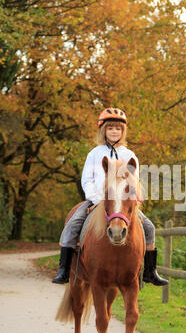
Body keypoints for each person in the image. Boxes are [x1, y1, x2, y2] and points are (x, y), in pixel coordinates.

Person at [52, 108, 168, 287]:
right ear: (103, 130)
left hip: (122, 204)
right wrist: (97, 198)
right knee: (72, 225)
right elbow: (87, 180)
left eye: (118, 129)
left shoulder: (129, 155)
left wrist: (130, 199)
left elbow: (134, 181)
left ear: (123, 132)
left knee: (150, 227)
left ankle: (150, 271)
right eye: (110, 128)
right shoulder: (94, 154)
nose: (114, 132)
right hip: (97, 200)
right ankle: (64, 269)